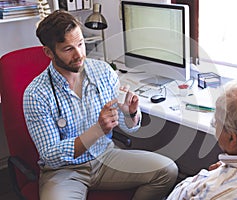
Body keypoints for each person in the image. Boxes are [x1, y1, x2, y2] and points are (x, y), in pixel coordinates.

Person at [23, 10, 178, 200]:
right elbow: (51, 156)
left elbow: (129, 125)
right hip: (64, 171)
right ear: (49, 52)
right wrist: (98, 129)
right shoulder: (36, 94)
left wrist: (131, 113)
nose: (79, 54)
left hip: (106, 157)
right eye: (68, 49)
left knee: (167, 171)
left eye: (80, 44)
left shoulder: (103, 71)